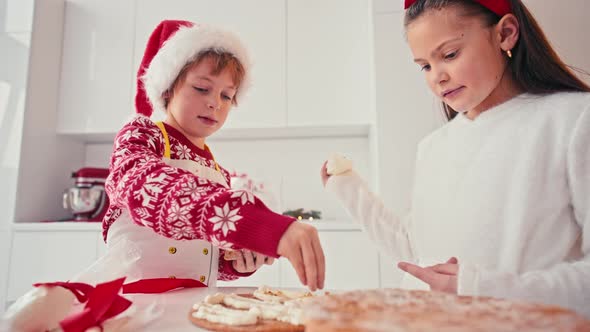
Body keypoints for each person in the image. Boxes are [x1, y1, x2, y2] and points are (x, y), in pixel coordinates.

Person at [321, 0, 590, 317]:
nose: (437, 77)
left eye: (449, 55)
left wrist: (481, 287)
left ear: (505, 34)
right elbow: (416, 252)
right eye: (425, 66)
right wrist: (347, 189)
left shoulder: (574, 119)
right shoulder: (433, 147)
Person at [101, 19, 324, 292]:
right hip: (133, 297)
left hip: (192, 300)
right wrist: (254, 223)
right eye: (202, 88)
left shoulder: (216, 170)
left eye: (227, 95)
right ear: (168, 88)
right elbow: (150, 188)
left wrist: (233, 263)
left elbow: (199, 253)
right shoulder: (141, 135)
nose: (215, 103)